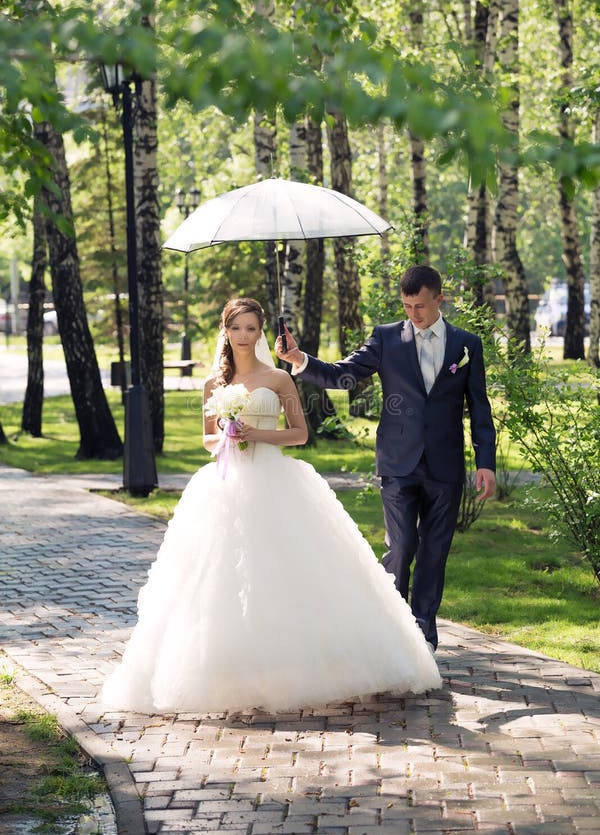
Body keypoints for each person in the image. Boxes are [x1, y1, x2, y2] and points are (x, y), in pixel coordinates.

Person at [102, 297, 440, 715]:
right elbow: (207, 440)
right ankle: (232, 672)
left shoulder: (279, 379)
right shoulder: (213, 385)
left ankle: (305, 666)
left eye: (251, 328)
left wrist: (256, 435)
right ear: (225, 331)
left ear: (261, 333)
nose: (244, 336)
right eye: (237, 328)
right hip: (225, 486)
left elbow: (298, 434)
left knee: (285, 572)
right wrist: (226, 435)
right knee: (220, 579)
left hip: (274, 481)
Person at [275, 265, 496, 653]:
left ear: (439, 299)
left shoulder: (467, 344)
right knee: (403, 544)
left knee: (433, 551)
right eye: (408, 306)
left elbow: (479, 407)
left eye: (421, 306)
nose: (414, 314)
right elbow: (343, 375)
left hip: (445, 466)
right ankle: (395, 627)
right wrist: (301, 359)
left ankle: (423, 633)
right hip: (398, 462)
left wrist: (485, 462)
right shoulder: (386, 339)